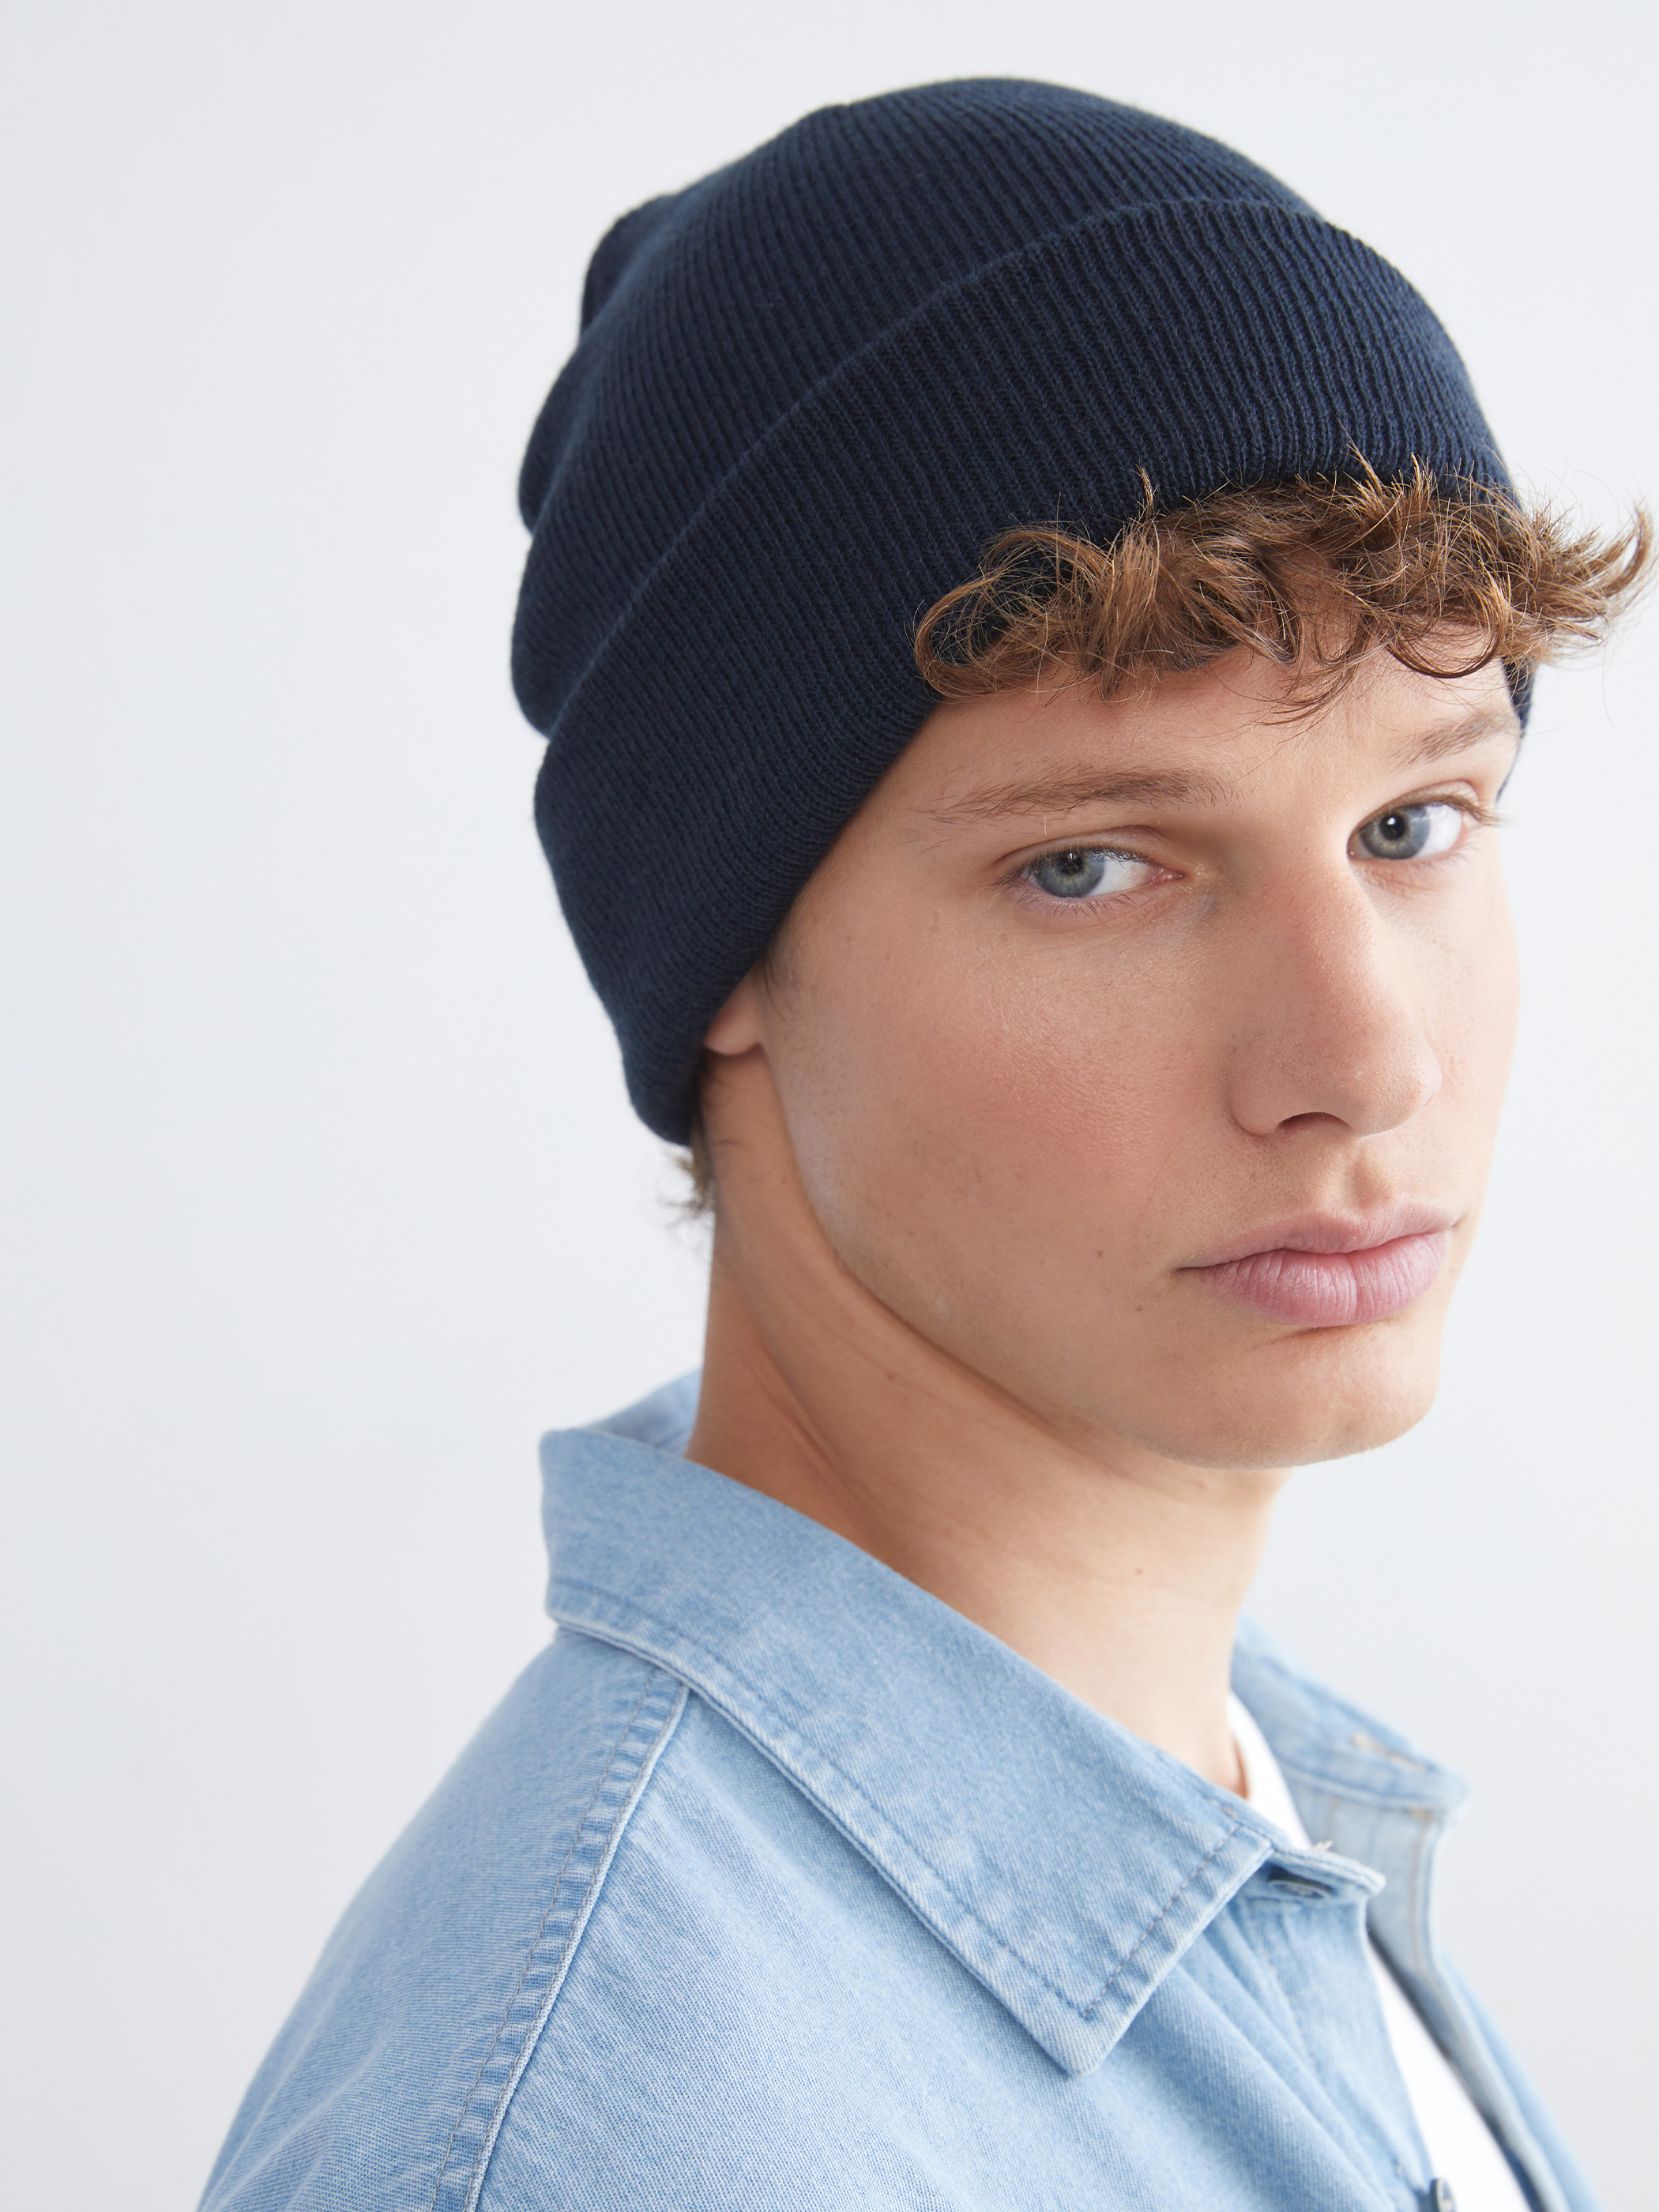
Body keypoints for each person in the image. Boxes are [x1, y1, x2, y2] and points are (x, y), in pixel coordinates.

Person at [199, 80, 1646, 2211]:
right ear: (728, 957)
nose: (1361, 1060)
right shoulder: (615, 2145)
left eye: (1412, 823)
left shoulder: (1236, 1826)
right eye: (1094, 867)